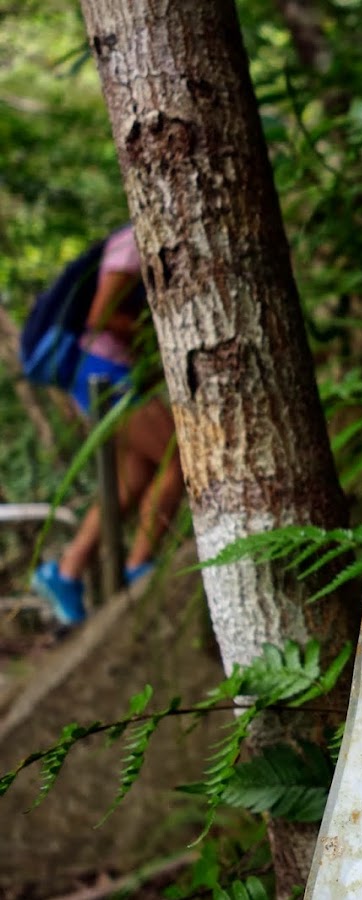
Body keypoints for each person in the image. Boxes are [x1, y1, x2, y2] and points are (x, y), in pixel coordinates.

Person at [30, 225, 185, 625]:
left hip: (112, 370)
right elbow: (101, 316)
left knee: (132, 478)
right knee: (179, 457)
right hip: (102, 370)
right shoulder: (132, 243)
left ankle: (66, 571)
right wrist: (169, 332)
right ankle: (140, 566)